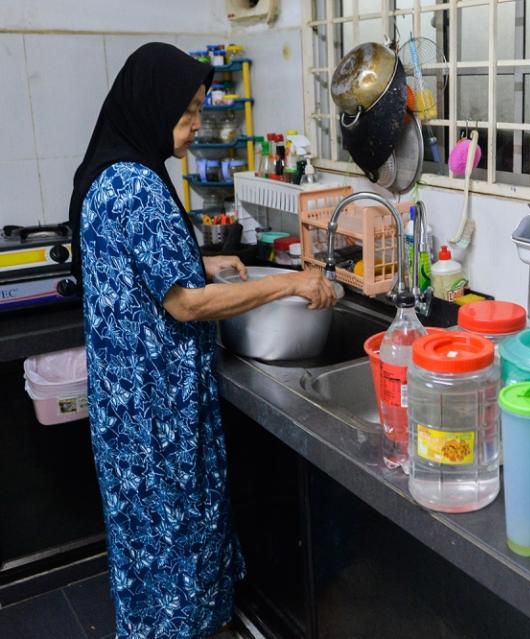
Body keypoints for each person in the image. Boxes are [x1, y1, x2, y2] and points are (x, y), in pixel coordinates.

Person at [68, 42, 336, 639]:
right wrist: (290, 282)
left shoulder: (111, 169)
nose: (194, 126)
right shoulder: (135, 185)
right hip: (157, 411)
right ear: (151, 104)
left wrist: (203, 261)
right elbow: (184, 305)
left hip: (130, 408)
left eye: (198, 111)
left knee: (146, 540)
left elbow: (144, 272)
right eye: (186, 112)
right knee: (175, 537)